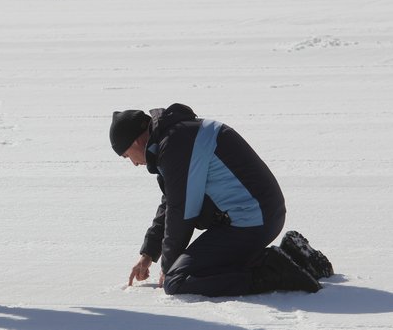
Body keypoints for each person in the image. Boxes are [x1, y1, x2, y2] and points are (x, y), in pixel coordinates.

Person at [109, 103, 333, 297]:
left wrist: (168, 267)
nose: (133, 163)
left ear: (137, 141)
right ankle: (298, 258)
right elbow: (171, 201)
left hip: (252, 221)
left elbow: (182, 211)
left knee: (176, 281)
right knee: (195, 267)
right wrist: (148, 253)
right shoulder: (177, 135)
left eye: (127, 155)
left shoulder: (176, 144)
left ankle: (272, 270)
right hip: (259, 216)